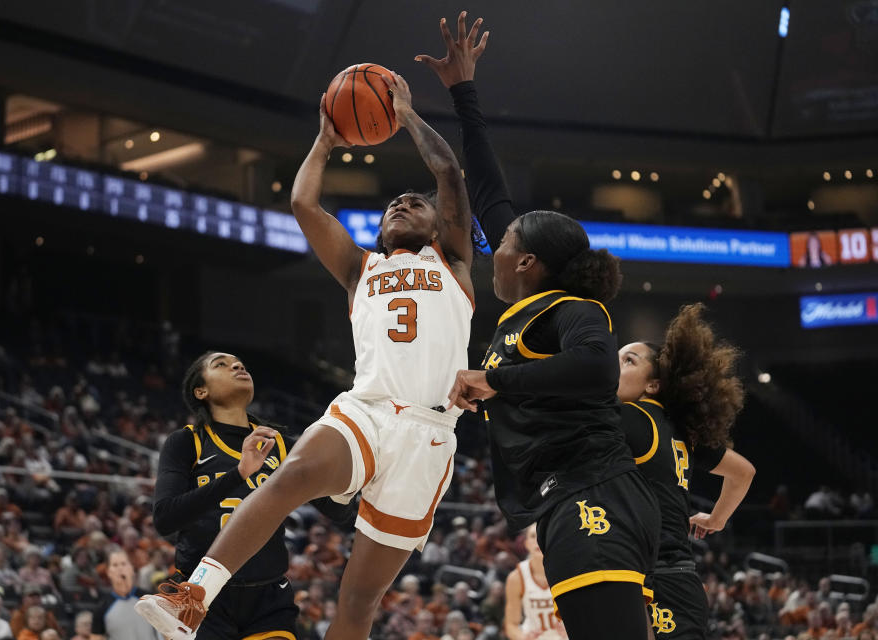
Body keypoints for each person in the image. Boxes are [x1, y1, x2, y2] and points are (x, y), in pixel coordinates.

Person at [136, 69, 477, 640]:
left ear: (438, 224)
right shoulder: (358, 268)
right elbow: (302, 201)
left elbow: (447, 172)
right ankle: (193, 596)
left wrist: (406, 114)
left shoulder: (455, 262)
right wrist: (325, 140)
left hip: (430, 434)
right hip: (367, 411)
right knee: (291, 474)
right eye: (393, 203)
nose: (401, 203)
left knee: (358, 599)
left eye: (413, 203)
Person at [425, 13, 659, 640]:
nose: (490, 241)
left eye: (500, 239)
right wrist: (461, 93)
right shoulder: (527, 304)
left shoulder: (573, 311)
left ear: (526, 262)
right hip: (567, 497)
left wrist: (500, 382)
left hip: (595, 491)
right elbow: (488, 185)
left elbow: (594, 369)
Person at [139, 351, 355, 640]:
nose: (238, 366)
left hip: (268, 598)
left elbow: (339, 512)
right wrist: (238, 474)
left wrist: (349, 475)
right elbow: (165, 518)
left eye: (239, 363)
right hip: (201, 599)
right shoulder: (187, 442)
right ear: (201, 391)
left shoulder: (280, 445)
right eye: (221, 364)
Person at [616, 303, 756, 639]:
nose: (614, 365)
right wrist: (716, 520)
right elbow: (744, 472)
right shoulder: (680, 430)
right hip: (676, 577)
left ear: (652, 386)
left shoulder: (634, 417)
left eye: (628, 360)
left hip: (659, 577)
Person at [504, 527, 567, 640]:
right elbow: (511, 625)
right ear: (526, 543)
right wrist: (523, 638)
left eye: (542, 535)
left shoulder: (568, 571)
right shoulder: (517, 577)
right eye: (533, 536)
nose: (538, 540)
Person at [93, 548, 159, 640]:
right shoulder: (102, 607)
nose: (120, 568)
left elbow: (166, 631)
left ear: (132, 568)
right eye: (115, 565)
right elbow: (96, 637)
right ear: (108, 572)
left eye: (124, 564)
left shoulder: (150, 599)